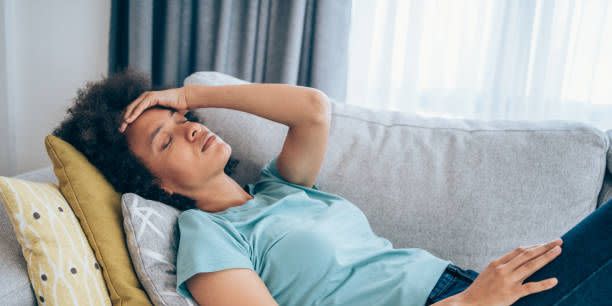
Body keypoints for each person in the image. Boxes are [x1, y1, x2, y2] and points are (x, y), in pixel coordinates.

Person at [53, 69, 611, 306]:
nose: (191, 127)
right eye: (166, 140)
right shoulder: (207, 236)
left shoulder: (277, 191)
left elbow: (312, 110)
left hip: (470, 285)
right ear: (157, 184)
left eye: (181, 118)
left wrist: (189, 95)